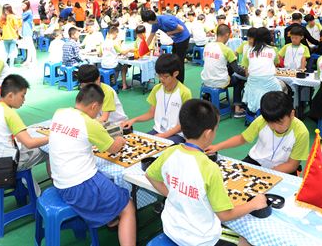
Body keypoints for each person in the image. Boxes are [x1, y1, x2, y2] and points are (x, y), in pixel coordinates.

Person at [146, 99, 267, 246]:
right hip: (202, 240)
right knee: (245, 241)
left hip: (171, 228)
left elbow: (150, 175)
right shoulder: (209, 168)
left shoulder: (170, 152)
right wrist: (253, 204)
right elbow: (224, 215)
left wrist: (173, 193)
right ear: (208, 134)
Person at [48, 85, 136, 246]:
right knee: (128, 206)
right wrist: (121, 140)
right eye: (99, 111)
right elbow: (113, 148)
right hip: (79, 186)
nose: (98, 114)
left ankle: (108, 218)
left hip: (59, 182)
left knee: (106, 180)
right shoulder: (89, 123)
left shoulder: (59, 113)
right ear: (94, 106)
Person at [206, 91, 309, 175]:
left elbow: (292, 165)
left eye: (280, 123)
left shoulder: (301, 132)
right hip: (256, 160)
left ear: (292, 114)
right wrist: (218, 146)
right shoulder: (261, 120)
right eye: (270, 123)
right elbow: (242, 138)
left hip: (282, 167)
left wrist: (266, 174)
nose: (275, 127)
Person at [0, 75, 49, 193]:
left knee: (28, 145)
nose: (24, 100)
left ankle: (28, 187)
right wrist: (51, 138)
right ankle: (41, 195)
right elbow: (30, 143)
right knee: (47, 151)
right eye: (23, 95)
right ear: (11, 95)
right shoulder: (9, 113)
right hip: (7, 164)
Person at [120, 54, 191, 144]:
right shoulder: (157, 89)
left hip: (177, 135)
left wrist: (162, 136)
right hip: (157, 131)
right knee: (138, 144)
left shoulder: (184, 92)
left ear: (175, 73)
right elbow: (151, 113)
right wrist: (133, 120)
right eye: (159, 75)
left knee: (157, 148)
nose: (161, 79)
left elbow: (183, 124)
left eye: (165, 76)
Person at [201, 24, 245, 117]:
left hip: (206, 80)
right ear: (227, 35)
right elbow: (237, 70)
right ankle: (237, 109)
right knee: (238, 80)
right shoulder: (227, 50)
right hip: (220, 81)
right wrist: (248, 72)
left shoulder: (207, 46)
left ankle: (208, 97)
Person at [141, 9, 191, 83]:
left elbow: (181, 29)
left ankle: (180, 82)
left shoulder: (165, 21)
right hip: (176, 40)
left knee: (179, 62)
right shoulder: (155, 23)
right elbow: (150, 37)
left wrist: (170, 33)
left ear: (149, 21)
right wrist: (142, 50)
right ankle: (174, 79)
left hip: (183, 38)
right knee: (174, 60)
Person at [241, 27, 282, 114]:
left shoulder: (249, 51)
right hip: (269, 82)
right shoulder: (273, 50)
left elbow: (246, 72)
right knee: (283, 87)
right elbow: (275, 65)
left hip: (253, 83)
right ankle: (276, 111)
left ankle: (252, 111)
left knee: (250, 87)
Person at [20, 0, 36, 66]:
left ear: (27, 5)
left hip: (28, 32)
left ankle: (30, 61)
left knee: (30, 47)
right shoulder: (26, 12)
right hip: (26, 32)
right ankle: (30, 61)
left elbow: (20, 18)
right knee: (30, 47)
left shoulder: (28, 12)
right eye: (21, 5)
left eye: (23, 5)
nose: (22, 6)